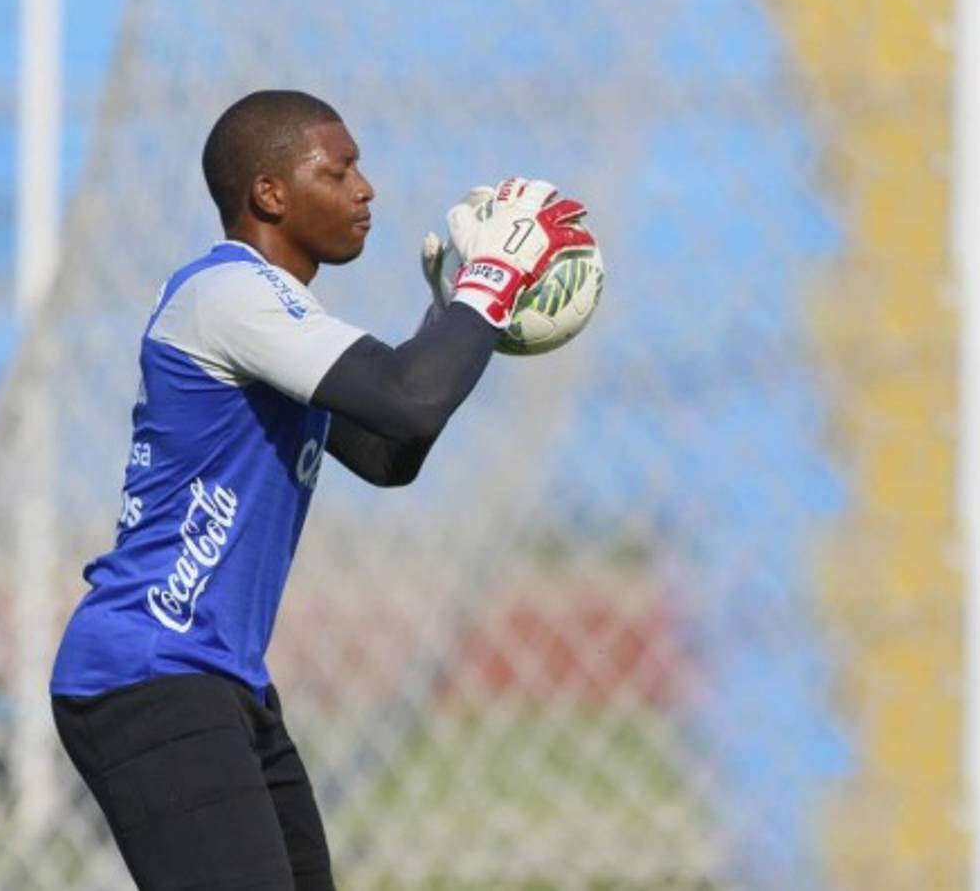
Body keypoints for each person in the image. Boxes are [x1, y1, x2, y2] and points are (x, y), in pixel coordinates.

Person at [49, 89, 593, 890]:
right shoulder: (229, 296)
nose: (366, 189)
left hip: (219, 679)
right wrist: (493, 282)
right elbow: (409, 396)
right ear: (270, 194)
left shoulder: (278, 314)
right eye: (339, 172)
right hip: (148, 671)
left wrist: (450, 313)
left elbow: (388, 450)